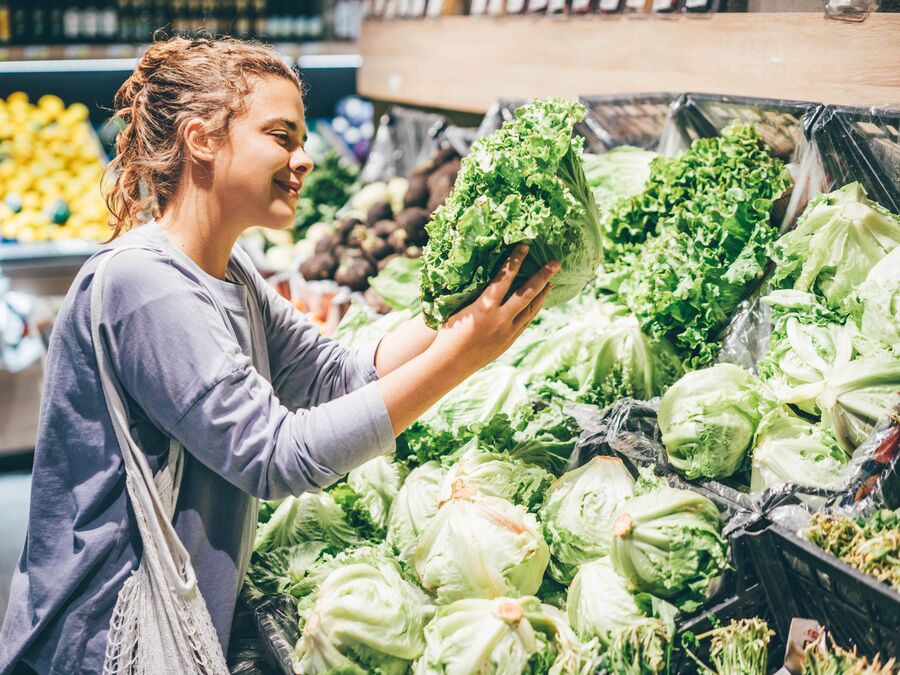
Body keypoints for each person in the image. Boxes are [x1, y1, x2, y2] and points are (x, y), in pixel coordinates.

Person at [0, 36, 557, 674]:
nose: (304, 158)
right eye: (281, 136)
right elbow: (276, 458)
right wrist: (459, 359)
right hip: (103, 640)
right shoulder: (143, 284)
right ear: (201, 140)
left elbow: (333, 375)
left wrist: (470, 310)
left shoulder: (228, 271)